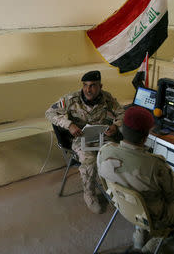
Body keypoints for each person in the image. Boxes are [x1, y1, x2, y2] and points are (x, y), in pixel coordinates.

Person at [97, 106, 174, 252]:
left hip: (123, 208)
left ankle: (139, 237)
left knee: (142, 196)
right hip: (155, 217)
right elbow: (173, 199)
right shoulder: (157, 165)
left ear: (123, 130)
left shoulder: (104, 150)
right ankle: (159, 238)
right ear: (146, 137)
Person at [45, 70, 125, 214]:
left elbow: (122, 113)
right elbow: (50, 113)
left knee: (116, 155)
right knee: (90, 160)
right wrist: (69, 125)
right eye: (85, 85)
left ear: (100, 86)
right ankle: (89, 194)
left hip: (102, 135)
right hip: (80, 138)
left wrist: (116, 125)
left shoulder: (107, 98)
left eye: (93, 85)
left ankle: (115, 192)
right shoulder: (71, 99)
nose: (88, 89)